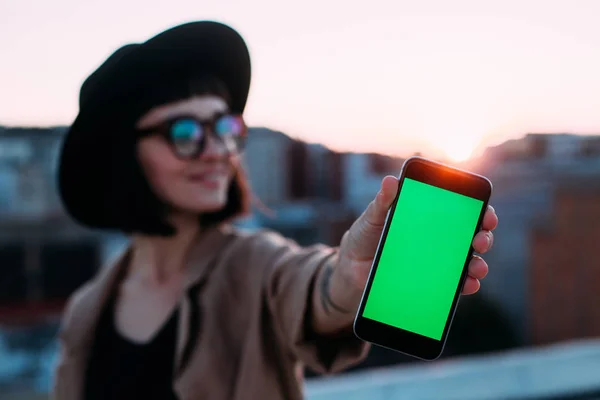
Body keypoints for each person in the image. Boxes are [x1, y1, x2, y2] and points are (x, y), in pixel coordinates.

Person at [52, 21, 498, 400]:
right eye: (185, 132)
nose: (216, 152)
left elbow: (306, 286)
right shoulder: (86, 311)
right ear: (125, 155)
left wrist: (344, 279)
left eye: (225, 128)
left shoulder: (255, 266)